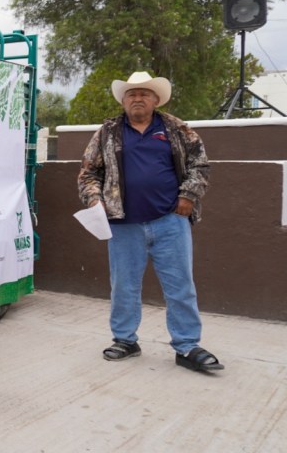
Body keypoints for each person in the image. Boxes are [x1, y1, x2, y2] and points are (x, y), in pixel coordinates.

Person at [77, 71, 223, 373]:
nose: (137, 98)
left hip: (170, 221)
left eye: (144, 93)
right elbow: (89, 173)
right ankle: (125, 340)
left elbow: (200, 164)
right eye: (131, 94)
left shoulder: (176, 129)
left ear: (156, 100)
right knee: (124, 286)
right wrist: (94, 200)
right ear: (123, 101)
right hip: (123, 225)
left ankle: (187, 345)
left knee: (180, 285)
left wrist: (188, 195)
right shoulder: (107, 132)